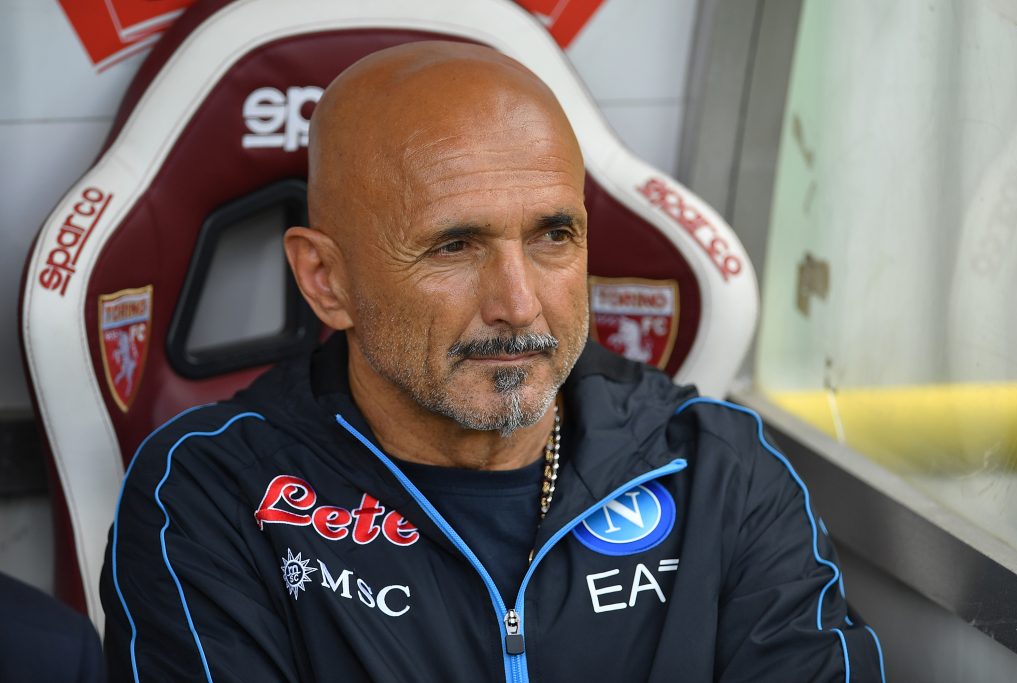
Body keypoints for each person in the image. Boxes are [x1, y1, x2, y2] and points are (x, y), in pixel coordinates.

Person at [100, 41, 884, 682]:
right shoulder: (211, 497)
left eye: (553, 236)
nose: (518, 303)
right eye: (454, 245)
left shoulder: (721, 471)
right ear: (325, 280)